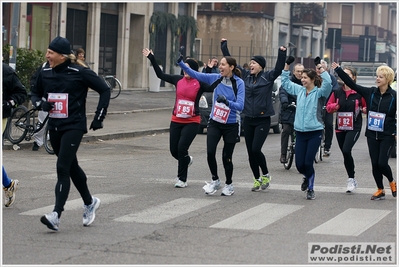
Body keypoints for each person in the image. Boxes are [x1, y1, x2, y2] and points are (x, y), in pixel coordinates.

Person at [31, 36, 110, 231]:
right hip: (55, 126)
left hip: (74, 126)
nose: (47, 55)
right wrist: (40, 103)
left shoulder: (79, 72)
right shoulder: (45, 71)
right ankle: (89, 201)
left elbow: (105, 90)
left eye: (51, 53)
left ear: (62, 56)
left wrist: (99, 117)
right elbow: (34, 93)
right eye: (47, 52)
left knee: (62, 167)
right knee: (71, 166)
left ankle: (56, 214)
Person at [220, 38, 288, 191]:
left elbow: (278, 69)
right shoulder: (245, 76)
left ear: (261, 66)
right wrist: (224, 46)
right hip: (248, 119)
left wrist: (281, 53)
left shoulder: (267, 77)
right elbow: (233, 65)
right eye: (250, 63)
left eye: (254, 63)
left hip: (262, 119)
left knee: (256, 149)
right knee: (250, 152)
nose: (251, 65)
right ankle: (257, 179)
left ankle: (265, 174)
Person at [143, 47, 212, 188]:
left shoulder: (200, 83)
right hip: (176, 120)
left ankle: (182, 179)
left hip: (192, 121)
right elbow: (160, 75)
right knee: (174, 150)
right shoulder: (177, 80)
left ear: (194, 70)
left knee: (182, 148)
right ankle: (186, 160)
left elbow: (214, 85)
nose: (185, 70)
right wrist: (152, 58)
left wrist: (210, 71)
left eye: (188, 68)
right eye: (183, 68)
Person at [178, 54, 245, 196]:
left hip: (231, 124)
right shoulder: (215, 78)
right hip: (215, 122)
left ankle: (229, 184)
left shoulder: (238, 83)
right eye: (219, 64)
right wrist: (181, 63)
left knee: (227, 156)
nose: (220, 67)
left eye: (223, 64)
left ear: (231, 67)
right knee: (210, 152)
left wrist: (227, 102)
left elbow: (240, 106)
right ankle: (215, 180)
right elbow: (194, 74)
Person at [332, 62, 397, 200]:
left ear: (388, 79)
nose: (377, 79)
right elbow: (352, 83)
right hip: (372, 134)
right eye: (377, 76)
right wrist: (339, 70)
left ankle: (391, 181)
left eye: (381, 77)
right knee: (374, 164)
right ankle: (380, 189)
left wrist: (395, 132)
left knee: (382, 163)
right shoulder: (370, 92)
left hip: (387, 134)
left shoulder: (394, 96)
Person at [281, 59, 332, 200]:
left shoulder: (320, 93)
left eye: (305, 78)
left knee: (308, 162)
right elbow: (285, 83)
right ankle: (306, 176)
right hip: (300, 132)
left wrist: (319, 67)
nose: (302, 80)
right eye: (301, 77)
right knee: (299, 165)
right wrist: (287, 65)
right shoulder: (300, 91)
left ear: (312, 79)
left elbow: (328, 83)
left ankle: (310, 188)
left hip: (314, 132)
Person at [325, 66, 367, 193]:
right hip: (340, 126)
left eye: (347, 74)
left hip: (354, 126)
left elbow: (366, 106)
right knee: (345, 153)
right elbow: (328, 107)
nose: (344, 77)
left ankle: (351, 178)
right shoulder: (337, 92)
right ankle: (351, 178)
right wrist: (335, 106)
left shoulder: (359, 92)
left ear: (353, 77)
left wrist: (365, 109)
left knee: (346, 149)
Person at [2, 62, 27, 207]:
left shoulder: (6, 71)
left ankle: (8, 184)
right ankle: (8, 184)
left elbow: (21, 93)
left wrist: (8, 103)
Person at [279, 63, 303, 163]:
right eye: (298, 71)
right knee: (286, 130)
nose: (300, 73)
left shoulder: (305, 82)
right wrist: (285, 102)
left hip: (301, 112)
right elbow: (283, 92)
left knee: (301, 133)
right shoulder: (288, 82)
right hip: (288, 110)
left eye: (302, 71)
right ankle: (283, 154)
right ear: (293, 72)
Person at [316, 59, 340, 157]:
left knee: (329, 125)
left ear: (325, 69)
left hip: (327, 106)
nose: (319, 70)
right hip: (316, 106)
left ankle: (327, 147)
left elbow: (335, 89)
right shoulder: (312, 77)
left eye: (321, 68)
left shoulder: (331, 78)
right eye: (318, 68)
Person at [30, 62, 49, 151]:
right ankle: (37, 141)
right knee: (42, 121)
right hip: (44, 97)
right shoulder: (44, 66)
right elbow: (36, 78)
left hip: (59, 99)